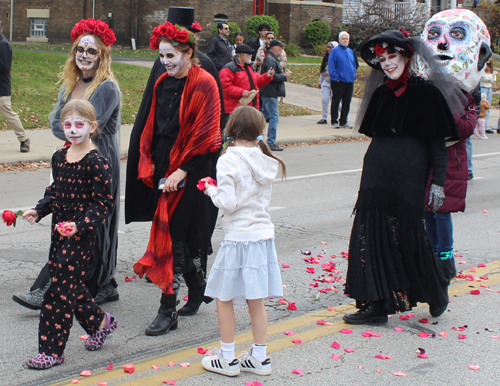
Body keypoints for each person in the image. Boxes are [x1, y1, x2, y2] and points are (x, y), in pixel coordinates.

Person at [343, 30, 462, 325]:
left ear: (408, 56)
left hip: (408, 178)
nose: (386, 63)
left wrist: (437, 182)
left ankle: (437, 288)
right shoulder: (382, 93)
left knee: (408, 237)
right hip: (375, 176)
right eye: (382, 59)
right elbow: (377, 137)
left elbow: (437, 144)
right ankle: (376, 305)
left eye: (392, 56)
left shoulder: (427, 93)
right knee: (371, 235)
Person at [12, 18, 121, 309]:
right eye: (79, 50)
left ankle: (91, 284)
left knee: (92, 222)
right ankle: (89, 284)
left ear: (102, 56)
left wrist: (68, 126)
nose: (84, 56)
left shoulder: (107, 88)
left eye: (91, 51)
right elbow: (58, 122)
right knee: (67, 217)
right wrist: (69, 128)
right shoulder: (70, 85)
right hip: (71, 157)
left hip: (97, 158)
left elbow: (83, 127)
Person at [125, 23, 221, 336]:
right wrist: (149, 161)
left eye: (172, 54)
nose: (166, 61)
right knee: (171, 234)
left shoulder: (205, 83)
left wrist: (183, 171)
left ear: (189, 53)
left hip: (194, 168)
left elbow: (208, 136)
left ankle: (168, 309)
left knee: (173, 239)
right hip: (165, 164)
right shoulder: (162, 83)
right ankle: (197, 287)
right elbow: (152, 124)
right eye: (162, 55)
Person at [23, 99, 117, 369]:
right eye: (68, 124)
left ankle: (51, 351)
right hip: (59, 233)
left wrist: (79, 224)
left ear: (92, 126)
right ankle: (101, 323)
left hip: (81, 236)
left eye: (80, 124)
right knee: (69, 286)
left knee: (57, 292)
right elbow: (54, 194)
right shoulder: (58, 157)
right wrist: (38, 210)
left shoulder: (97, 162)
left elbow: (103, 205)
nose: (73, 130)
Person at [201, 106, 285, 377]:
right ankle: (259, 357)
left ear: (231, 129)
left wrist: (209, 189)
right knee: (255, 300)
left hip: (239, 238)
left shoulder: (228, 159)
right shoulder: (265, 158)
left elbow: (228, 203)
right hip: (262, 237)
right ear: (260, 131)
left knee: (223, 298)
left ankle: (227, 358)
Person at [422, 9, 493, 181]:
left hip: (450, 166)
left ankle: (468, 168)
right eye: (433, 34)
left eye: (457, 34)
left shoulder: (469, 96)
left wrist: (450, 101)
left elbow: (464, 129)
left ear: (481, 54)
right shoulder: (420, 90)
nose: (442, 43)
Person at [0, 20, 30, 152]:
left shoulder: (3, 44)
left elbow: (5, 66)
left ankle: (24, 139)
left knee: (9, 115)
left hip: (2, 88)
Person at [219, 44, 274, 116]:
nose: (251, 56)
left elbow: (257, 81)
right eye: (249, 54)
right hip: (235, 110)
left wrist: (267, 76)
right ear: (242, 55)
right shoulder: (229, 68)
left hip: (250, 107)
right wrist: (241, 92)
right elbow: (225, 87)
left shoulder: (250, 68)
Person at [260, 39, 292, 152]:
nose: (282, 49)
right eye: (281, 47)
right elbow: (271, 77)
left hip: (269, 92)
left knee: (264, 116)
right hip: (270, 92)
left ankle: (261, 140)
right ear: (274, 48)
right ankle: (270, 142)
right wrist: (284, 75)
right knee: (274, 117)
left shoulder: (272, 58)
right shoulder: (270, 59)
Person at [328, 31, 358, 129]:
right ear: (339, 40)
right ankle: (334, 121)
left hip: (349, 81)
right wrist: (336, 78)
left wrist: (353, 75)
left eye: (347, 38)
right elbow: (331, 66)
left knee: (347, 102)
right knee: (336, 101)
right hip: (339, 82)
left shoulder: (350, 51)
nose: (345, 40)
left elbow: (354, 65)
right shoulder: (334, 51)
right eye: (343, 38)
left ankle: (344, 121)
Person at [317, 42, 337, 124]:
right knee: (325, 100)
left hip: (334, 83)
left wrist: (330, 73)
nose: (329, 49)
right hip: (326, 82)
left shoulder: (337, 57)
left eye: (331, 47)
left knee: (336, 102)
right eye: (328, 47)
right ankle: (324, 117)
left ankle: (342, 116)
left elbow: (339, 70)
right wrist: (320, 82)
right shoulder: (326, 58)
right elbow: (322, 71)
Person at [480, 59, 497, 134]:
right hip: (483, 87)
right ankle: (479, 127)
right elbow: (483, 77)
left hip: (489, 87)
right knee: (482, 106)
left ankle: (485, 126)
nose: (489, 59)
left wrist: (492, 77)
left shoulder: (490, 67)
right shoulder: (482, 66)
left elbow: (493, 80)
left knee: (488, 107)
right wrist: (492, 76)